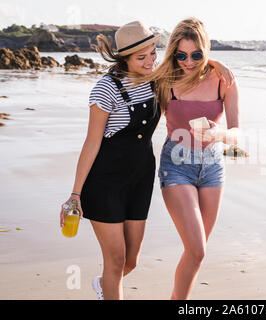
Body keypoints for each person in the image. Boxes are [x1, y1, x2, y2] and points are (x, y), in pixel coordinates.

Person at [59, 20, 233, 300]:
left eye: (153, 53)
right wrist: (75, 194)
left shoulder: (156, 79)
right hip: (105, 182)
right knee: (115, 261)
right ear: (124, 58)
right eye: (142, 57)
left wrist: (213, 62)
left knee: (130, 262)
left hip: (140, 180)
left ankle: (104, 286)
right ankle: (109, 288)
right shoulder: (106, 89)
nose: (151, 60)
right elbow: (91, 143)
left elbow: (186, 61)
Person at [137, 17, 240, 299]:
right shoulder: (164, 80)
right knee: (197, 248)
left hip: (213, 168)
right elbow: (135, 72)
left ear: (205, 50)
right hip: (176, 167)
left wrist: (220, 133)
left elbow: (236, 135)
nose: (188, 62)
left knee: (196, 255)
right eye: (181, 55)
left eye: (196, 55)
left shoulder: (224, 80)